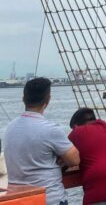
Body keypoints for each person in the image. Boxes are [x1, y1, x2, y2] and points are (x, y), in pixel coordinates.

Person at [4, 77, 80, 205]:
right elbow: (74, 160)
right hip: (49, 199)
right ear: (48, 100)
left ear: (24, 99)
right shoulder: (50, 129)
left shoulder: (10, 128)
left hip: (20, 199)